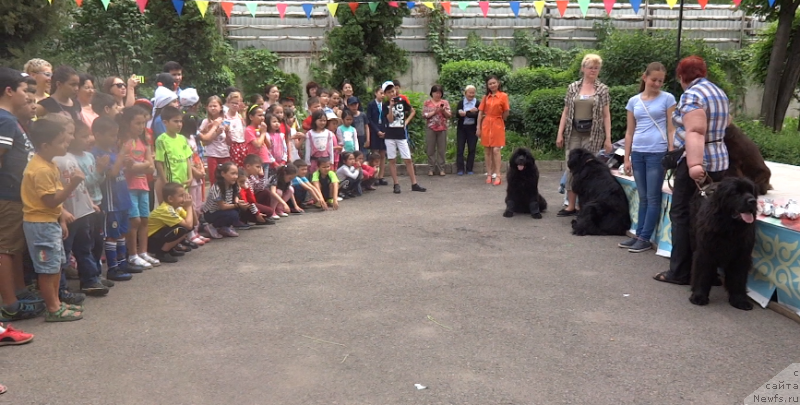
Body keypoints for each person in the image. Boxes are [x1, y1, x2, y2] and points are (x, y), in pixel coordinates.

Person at [653, 56, 730, 285]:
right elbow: (725, 124)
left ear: (681, 76)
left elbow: (695, 130)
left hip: (698, 164)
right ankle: (710, 272)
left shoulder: (692, 95)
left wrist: (694, 165)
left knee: (682, 215)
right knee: (709, 218)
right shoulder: (719, 92)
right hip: (719, 160)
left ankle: (680, 271)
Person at [21, 117, 85, 321]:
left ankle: (56, 302)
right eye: (61, 141)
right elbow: (50, 201)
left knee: (55, 265)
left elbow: (54, 201)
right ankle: (52, 307)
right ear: (45, 145)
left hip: (49, 222)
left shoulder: (49, 164)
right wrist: (72, 184)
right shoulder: (40, 169)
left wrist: (62, 218)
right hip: (40, 225)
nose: (66, 144)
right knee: (47, 269)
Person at [620, 62, 676, 254]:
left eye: (661, 81)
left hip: (657, 152)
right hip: (638, 152)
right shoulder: (633, 101)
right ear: (645, 77)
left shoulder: (668, 99)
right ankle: (639, 234)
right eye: (654, 80)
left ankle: (644, 237)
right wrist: (626, 157)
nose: (657, 84)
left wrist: (670, 151)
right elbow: (629, 131)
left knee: (652, 197)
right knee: (643, 196)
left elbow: (671, 127)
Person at [0, 68, 43, 321]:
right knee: (5, 249)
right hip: (6, 195)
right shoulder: (4, 120)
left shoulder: (11, 119)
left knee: (13, 248)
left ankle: (19, 290)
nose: (28, 96)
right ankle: (10, 303)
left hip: (16, 196)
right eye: (24, 90)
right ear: (9, 91)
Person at [53, 120, 109, 296]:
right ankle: (61, 289)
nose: (69, 139)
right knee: (65, 252)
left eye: (70, 134)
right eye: (66, 135)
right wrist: (63, 212)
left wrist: (90, 202)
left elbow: (81, 184)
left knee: (85, 247)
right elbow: (52, 189)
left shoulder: (70, 157)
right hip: (69, 214)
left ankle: (90, 280)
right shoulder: (54, 161)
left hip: (83, 211)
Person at [556, 53, 612, 216]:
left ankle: (583, 205)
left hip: (593, 134)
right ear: (583, 69)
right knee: (571, 167)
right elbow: (566, 112)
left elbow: (606, 115)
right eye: (590, 67)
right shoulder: (573, 87)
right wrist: (560, 133)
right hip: (573, 132)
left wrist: (608, 138)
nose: (593, 70)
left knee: (588, 169)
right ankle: (570, 205)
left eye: (596, 68)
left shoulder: (602, 89)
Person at [91, 117, 134, 282]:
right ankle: (112, 268)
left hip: (122, 198)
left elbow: (119, 170)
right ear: (97, 135)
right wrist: (122, 154)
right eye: (111, 135)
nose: (114, 139)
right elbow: (112, 174)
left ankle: (123, 263)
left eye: (115, 135)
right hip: (111, 202)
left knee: (122, 232)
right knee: (111, 235)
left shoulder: (113, 153)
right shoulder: (97, 154)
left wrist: (125, 162)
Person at [119, 106, 158, 271]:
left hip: (143, 184)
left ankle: (143, 251)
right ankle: (132, 254)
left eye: (143, 123)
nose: (141, 126)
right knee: (133, 220)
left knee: (144, 219)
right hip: (128, 186)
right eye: (137, 123)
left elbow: (150, 166)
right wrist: (144, 165)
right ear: (128, 123)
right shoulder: (123, 142)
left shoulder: (144, 140)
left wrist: (139, 166)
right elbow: (127, 166)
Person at [381, 81, 426, 194]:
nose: (392, 93)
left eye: (393, 91)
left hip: (401, 134)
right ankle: (396, 184)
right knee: (392, 160)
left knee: (408, 159)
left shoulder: (402, 100)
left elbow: (412, 111)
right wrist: (391, 107)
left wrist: (406, 122)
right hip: (390, 135)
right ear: (385, 94)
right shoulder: (385, 105)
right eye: (389, 92)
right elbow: (390, 119)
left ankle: (414, 183)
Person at [147, 182, 194, 263]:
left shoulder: (177, 207)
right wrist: (189, 206)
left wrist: (190, 205)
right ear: (170, 199)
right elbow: (188, 225)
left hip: (158, 236)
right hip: (150, 241)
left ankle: (169, 249)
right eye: (181, 196)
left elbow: (194, 223)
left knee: (186, 226)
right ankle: (162, 253)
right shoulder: (166, 209)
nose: (184, 198)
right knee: (182, 228)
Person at [154, 106, 192, 205]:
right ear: (165, 122)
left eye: (180, 121)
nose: (179, 124)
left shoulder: (182, 138)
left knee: (185, 205)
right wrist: (165, 182)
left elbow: (187, 158)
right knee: (174, 208)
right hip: (172, 181)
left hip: (184, 181)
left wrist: (190, 177)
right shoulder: (161, 139)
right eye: (175, 121)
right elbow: (159, 163)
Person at [476, 75, 510, 186]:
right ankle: (489, 174)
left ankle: (498, 174)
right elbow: (480, 112)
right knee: (487, 150)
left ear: (498, 83)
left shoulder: (503, 96)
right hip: (486, 123)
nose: (492, 85)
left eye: (494, 83)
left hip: (497, 122)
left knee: (496, 149)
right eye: (490, 84)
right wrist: (478, 127)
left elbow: (506, 111)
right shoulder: (485, 97)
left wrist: (502, 120)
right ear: (487, 86)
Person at [202, 162, 246, 238]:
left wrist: (237, 201)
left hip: (224, 210)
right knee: (233, 214)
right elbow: (222, 206)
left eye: (236, 174)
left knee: (238, 210)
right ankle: (212, 226)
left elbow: (236, 195)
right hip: (211, 213)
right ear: (223, 174)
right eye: (232, 174)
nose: (235, 177)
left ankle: (225, 227)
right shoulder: (217, 188)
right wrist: (237, 205)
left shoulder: (234, 185)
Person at [198, 96, 229, 183]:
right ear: (207, 107)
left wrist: (228, 132)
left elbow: (229, 141)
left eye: (215, 106)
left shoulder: (226, 121)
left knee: (226, 179)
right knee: (214, 179)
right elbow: (204, 141)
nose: (213, 108)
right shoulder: (205, 122)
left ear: (221, 107)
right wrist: (216, 133)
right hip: (212, 154)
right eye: (210, 106)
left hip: (225, 154)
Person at [423, 84, 451, 177]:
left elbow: (449, 115)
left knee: (441, 150)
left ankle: (441, 169)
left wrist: (443, 111)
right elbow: (424, 115)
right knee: (430, 149)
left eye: (439, 93)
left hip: (442, 128)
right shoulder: (427, 103)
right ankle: (431, 168)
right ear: (432, 93)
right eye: (435, 92)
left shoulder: (445, 102)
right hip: (431, 128)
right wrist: (435, 111)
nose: (437, 94)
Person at [455, 85, 480, 175]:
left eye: (473, 92)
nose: (471, 94)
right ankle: (460, 169)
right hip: (462, 128)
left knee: (472, 149)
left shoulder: (477, 103)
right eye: (470, 92)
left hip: (472, 128)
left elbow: (477, 115)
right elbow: (457, 114)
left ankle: (469, 169)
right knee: (460, 148)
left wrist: (466, 113)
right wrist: (469, 112)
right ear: (465, 93)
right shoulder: (461, 102)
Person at [366, 86, 387, 186]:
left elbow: (387, 118)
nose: (382, 95)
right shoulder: (371, 104)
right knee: (375, 154)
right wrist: (377, 130)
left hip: (383, 131)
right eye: (381, 93)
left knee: (382, 154)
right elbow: (369, 119)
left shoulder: (385, 105)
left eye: (383, 93)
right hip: (374, 131)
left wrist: (385, 131)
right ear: (376, 93)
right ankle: (373, 176)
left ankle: (381, 176)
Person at [244, 105, 272, 172]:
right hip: (255, 162)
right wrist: (262, 133)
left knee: (264, 182)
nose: (262, 118)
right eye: (259, 115)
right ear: (251, 117)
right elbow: (257, 145)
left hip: (265, 159)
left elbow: (269, 145)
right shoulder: (249, 130)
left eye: (263, 115)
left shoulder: (261, 129)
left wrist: (263, 133)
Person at [224, 91, 248, 167]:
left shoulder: (240, 116)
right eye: (233, 103)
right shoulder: (225, 117)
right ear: (228, 103)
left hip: (243, 145)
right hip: (232, 146)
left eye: (237, 103)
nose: (235, 105)